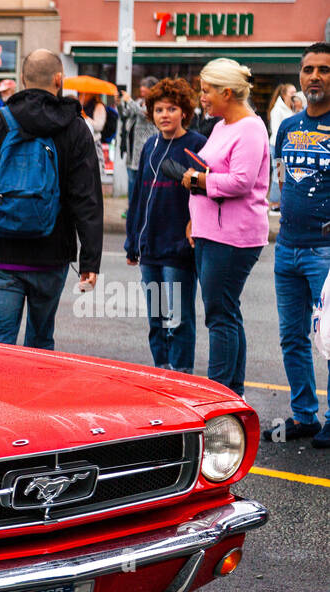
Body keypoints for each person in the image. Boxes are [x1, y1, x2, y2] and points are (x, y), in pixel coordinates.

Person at [0, 49, 102, 350]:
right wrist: (90, 259)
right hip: (52, 253)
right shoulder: (75, 129)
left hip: (1, 251)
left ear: (22, 79)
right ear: (59, 79)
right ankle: (36, 397)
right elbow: (86, 198)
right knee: (41, 341)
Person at [182, 58, 270, 398]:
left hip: (233, 235)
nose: (201, 98)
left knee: (219, 315)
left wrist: (200, 179)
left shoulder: (250, 127)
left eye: (206, 91)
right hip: (211, 230)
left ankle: (217, 395)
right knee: (226, 312)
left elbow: (242, 181)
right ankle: (232, 392)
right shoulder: (222, 125)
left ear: (227, 93)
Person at [264, 42, 330, 448]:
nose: (315, 77)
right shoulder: (287, 127)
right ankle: (304, 416)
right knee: (292, 337)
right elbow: (283, 181)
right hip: (287, 247)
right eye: (308, 70)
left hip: (326, 251)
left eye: (324, 69)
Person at [124, 78, 208, 374]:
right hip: (150, 247)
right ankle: (161, 369)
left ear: (184, 111)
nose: (165, 115)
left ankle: (182, 373)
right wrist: (132, 241)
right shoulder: (150, 145)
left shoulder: (197, 144)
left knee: (180, 319)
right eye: (159, 109)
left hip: (179, 248)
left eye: (172, 108)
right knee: (156, 319)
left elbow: (206, 192)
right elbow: (138, 197)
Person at [119, 76, 160, 209]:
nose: (142, 90)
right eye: (142, 87)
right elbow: (126, 113)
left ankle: (140, 208)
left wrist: (129, 100)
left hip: (144, 148)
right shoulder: (139, 101)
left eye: (145, 87)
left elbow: (144, 114)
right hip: (132, 148)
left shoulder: (156, 104)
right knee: (132, 180)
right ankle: (131, 207)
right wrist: (120, 103)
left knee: (141, 181)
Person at [267, 83, 297, 208]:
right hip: (277, 146)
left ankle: (283, 202)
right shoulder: (277, 109)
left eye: (296, 93)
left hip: (290, 147)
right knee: (278, 174)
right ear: (284, 95)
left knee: (287, 175)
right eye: (292, 93)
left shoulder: (293, 108)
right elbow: (276, 131)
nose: (294, 96)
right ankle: (274, 203)